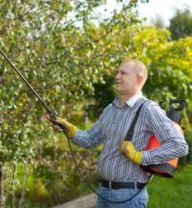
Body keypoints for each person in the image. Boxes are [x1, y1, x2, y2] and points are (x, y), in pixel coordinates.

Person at [52, 59, 189, 208]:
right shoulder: (110, 109)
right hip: (103, 192)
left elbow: (179, 145)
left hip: (128, 197)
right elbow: (90, 139)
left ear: (139, 79)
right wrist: (70, 130)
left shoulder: (148, 109)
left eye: (123, 73)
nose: (117, 76)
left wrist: (140, 156)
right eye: (117, 72)